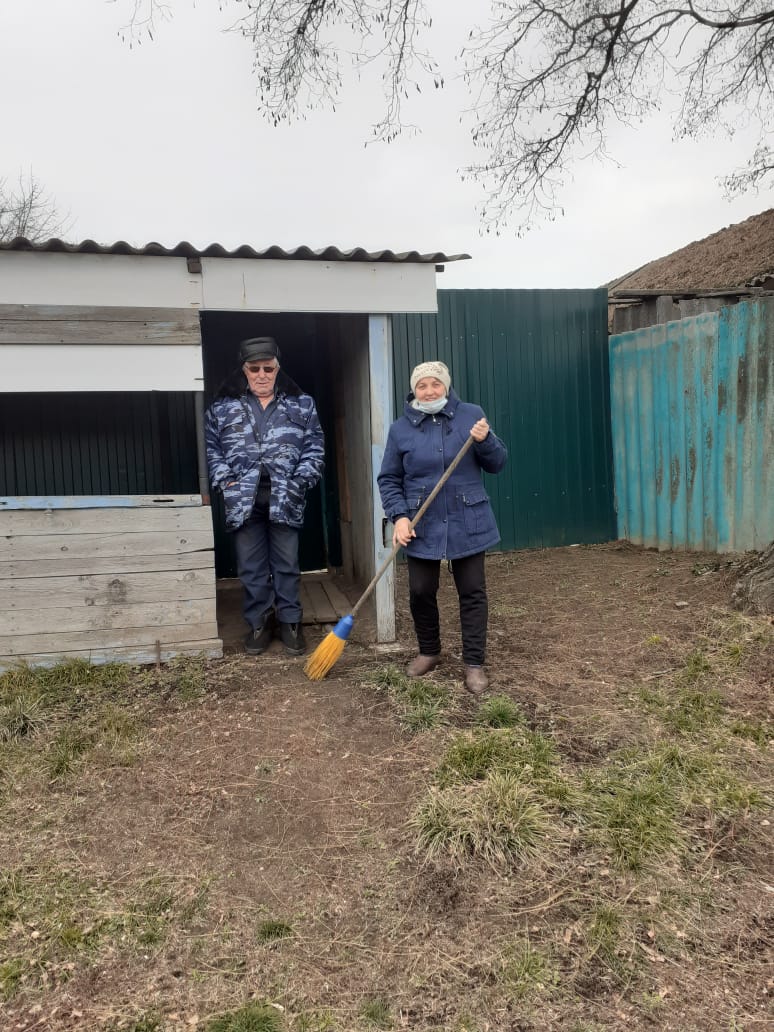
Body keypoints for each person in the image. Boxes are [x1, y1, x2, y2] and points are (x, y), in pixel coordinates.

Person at [377, 360, 507, 694]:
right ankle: (429, 651)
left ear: (446, 386)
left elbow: (497, 463)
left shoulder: (470, 415)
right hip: (422, 521)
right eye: (422, 386)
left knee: (472, 591)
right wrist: (399, 516)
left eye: (436, 384)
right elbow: (389, 478)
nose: (430, 391)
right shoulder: (400, 429)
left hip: (468, 519)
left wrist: (485, 440)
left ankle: (474, 663)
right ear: (414, 390)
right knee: (421, 590)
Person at [205, 336, 324, 656]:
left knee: (286, 564)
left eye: (268, 368)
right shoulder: (222, 407)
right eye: (254, 368)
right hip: (242, 498)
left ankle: (290, 622)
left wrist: (300, 481)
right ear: (243, 370)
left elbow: (314, 447)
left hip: (285, 496)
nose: (261, 375)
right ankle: (259, 622)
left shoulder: (302, 404)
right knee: (251, 567)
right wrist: (226, 483)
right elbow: (212, 450)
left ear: (277, 369)